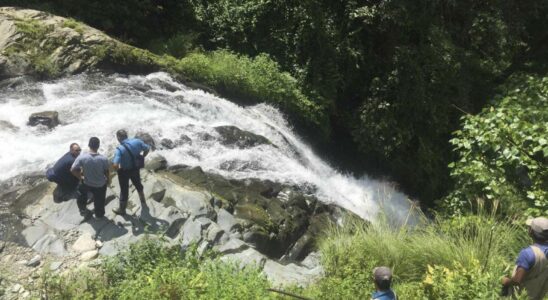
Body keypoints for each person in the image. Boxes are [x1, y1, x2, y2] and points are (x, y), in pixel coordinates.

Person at [502, 217, 548, 300]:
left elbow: (517, 280)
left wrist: (506, 281)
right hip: (538, 295)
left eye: (530, 227)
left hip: (522, 297)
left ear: (531, 232)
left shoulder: (527, 253)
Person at [112, 129, 150, 215]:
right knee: (138, 184)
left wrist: (117, 170)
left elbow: (115, 165)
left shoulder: (119, 149)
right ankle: (143, 201)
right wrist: (143, 157)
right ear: (126, 135)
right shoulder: (137, 141)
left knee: (124, 190)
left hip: (124, 171)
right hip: (135, 168)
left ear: (118, 137)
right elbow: (147, 149)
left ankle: (122, 209)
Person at [71, 137, 110, 219]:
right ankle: (99, 215)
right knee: (100, 201)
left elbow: (72, 169)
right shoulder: (103, 159)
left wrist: (80, 177)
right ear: (98, 146)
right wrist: (108, 180)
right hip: (100, 185)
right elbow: (106, 171)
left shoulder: (82, 158)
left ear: (89, 145)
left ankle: (82, 210)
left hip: (87, 183)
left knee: (81, 195)